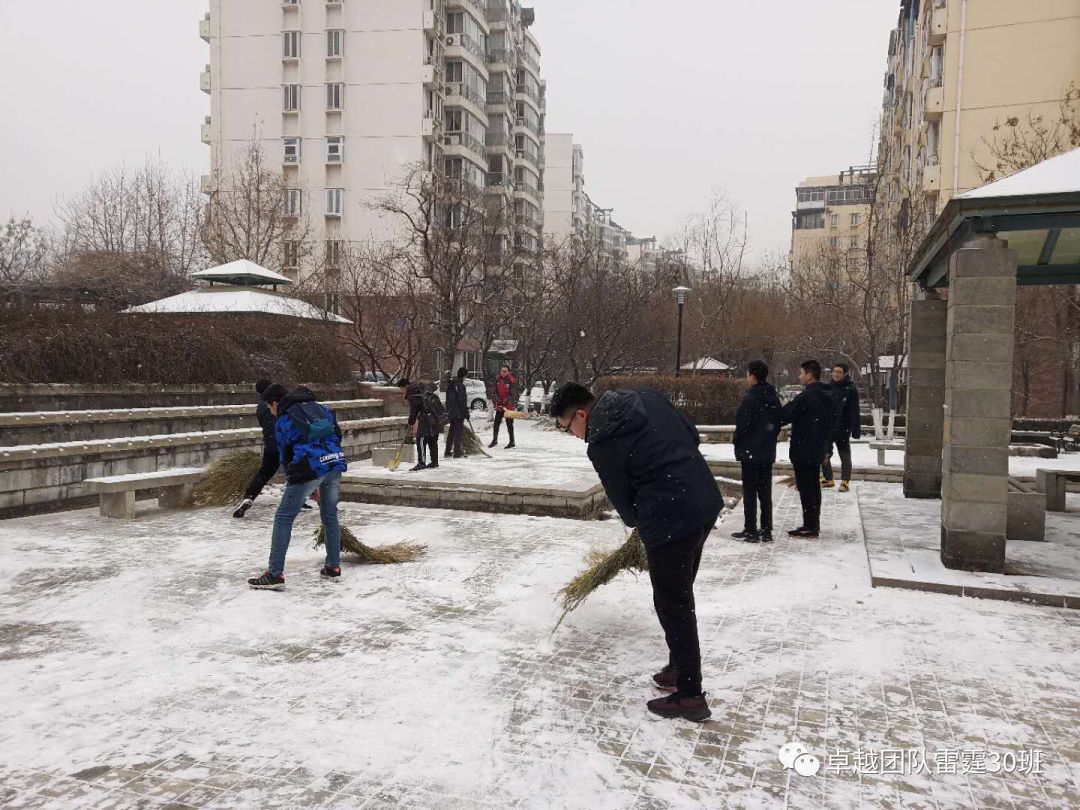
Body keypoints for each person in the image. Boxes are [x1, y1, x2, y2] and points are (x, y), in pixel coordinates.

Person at [551, 382, 723, 723]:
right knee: (679, 596)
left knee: (673, 604)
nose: (571, 434)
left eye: (567, 426)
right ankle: (679, 666)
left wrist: (645, 517)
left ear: (581, 415)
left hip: (670, 518)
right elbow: (691, 434)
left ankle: (690, 695)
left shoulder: (601, 444)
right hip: (703, 501)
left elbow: (625, 507)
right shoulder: (646, 397)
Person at [248, 387, 347, 590]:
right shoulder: (322, 408)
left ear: (275, 403)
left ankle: (274, 574)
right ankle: (333, 566)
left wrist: (304, 481)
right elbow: (337, 434)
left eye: (269, 407)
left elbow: (285, 455)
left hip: (309, 468)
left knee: (284, 516)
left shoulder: (284, 420)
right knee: (329, 515)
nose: (271, 411)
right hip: (334, 463)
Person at [779, 360, 834, 539]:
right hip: (817, 448)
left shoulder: (807, 396)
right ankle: (813, 523)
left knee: (806, 488)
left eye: (802, 373)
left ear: (810, 375)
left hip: (804, 449)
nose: (800, 376)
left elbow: (786, 415)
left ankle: (809, 525)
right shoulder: (828, 395)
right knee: (814, 487)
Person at [731, 360, 782, 543]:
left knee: (750, 491)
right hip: (766, 451)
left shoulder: (750, 398)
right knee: (765, 491)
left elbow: (742, 424)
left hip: (751, 452)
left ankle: (750, 529)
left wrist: (738, 440)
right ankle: (766, 530)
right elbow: (777, 423)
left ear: (752, 376)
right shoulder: (773, 397)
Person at [233, 380, 284, 519]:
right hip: (284, 441)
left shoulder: (260, 407)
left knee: (264, 473)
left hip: (270, 444)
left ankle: (249, 496)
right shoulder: (277, 402)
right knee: (296, 470)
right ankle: (298, 499)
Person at [821, 362, 861, 493]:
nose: (836, 374)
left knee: (844, 455)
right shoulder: (828, 387)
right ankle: (828, 479)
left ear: (844, 374)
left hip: (843, 428)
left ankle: (845, 481)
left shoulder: (851, 389)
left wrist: (855, 430)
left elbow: (854, 410)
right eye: (834, 371)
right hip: (828, 428)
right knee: (824, 454)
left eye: (839, 372)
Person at [399, 378, 442, 471]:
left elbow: (414, 409)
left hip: (426, 419)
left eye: (401, 389)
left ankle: (421, 463)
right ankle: (434, 462)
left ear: (405, 386)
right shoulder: (421, 388)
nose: (402, 392)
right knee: (432, 439)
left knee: (420, 439)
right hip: (435, 417)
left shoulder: (413, 392)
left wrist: (411, 421)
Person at [489, 364, 518, 449]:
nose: (503, 373)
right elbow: (494, 391)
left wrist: (504, 402)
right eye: (502, 371)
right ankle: (494, 440)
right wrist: (498, 400)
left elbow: (512, 394)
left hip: (508, 406)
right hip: (500, 406)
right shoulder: (497, 379)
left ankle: (512, 441)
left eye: (505, 371)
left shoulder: (511, 380)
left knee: (509, 424)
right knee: (496, 423)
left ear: (508, 372)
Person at [445, 367, 469, 459]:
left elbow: (448, 400)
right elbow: (462, 401)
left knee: (451, 431)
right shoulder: (460, 386)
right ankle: (457, 452)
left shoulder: (451, 384)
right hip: (459, 413)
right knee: (458, 433)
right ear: (464, 375)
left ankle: (447, 451)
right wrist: (466, 413)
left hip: (452, 412)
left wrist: (449, 410)